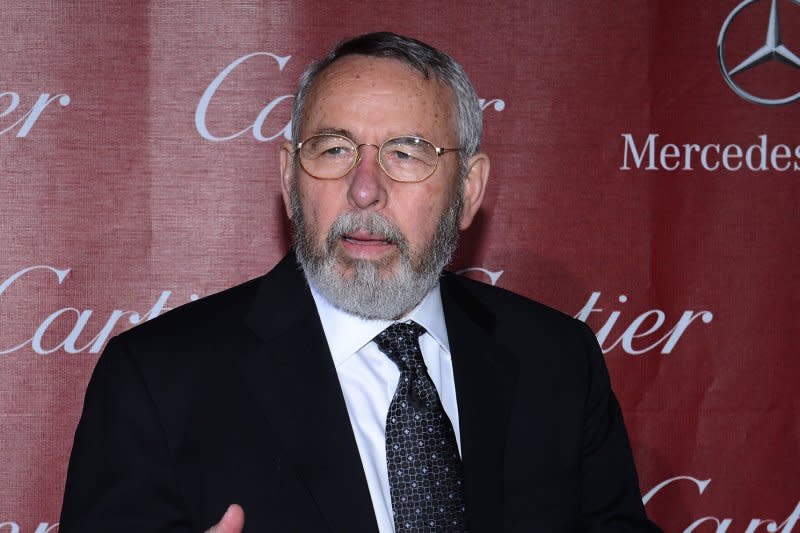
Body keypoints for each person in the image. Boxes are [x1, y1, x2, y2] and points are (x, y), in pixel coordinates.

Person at [60, 32, 662, 532]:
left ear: (469, 190)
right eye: (334, 149)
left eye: (406, 152)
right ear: (291, 180)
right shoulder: (157, 380)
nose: (365, 188)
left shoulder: (558, 361)